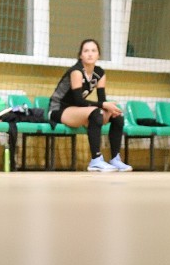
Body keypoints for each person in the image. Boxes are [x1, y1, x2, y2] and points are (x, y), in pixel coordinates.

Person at [48, 39, 130, 172]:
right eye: (86, 51)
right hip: (59, 109)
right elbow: (79, 101)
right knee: (96, 113)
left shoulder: (99, 73)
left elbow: (102, 100)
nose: (90, 54)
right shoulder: (76, 71)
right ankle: (96, 160)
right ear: (80, 55)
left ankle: (115, 159)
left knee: (117, 116)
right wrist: (103, 105)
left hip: (77, 110)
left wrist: (109, 109)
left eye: (93, 51)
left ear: (98, 55)